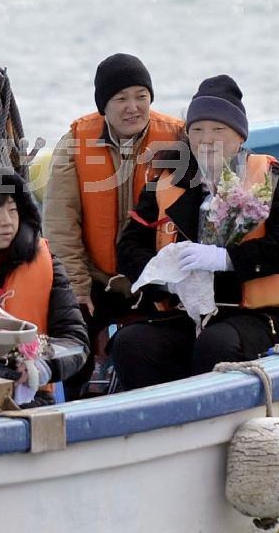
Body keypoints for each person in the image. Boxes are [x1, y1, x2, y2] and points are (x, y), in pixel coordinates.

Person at [113, 75, 279, 390]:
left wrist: (225, 259)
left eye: (219, 130)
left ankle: (211, 421)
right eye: (197, 130)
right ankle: (157, 423)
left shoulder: (269, 178)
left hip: (260, 316)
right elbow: (129, 246)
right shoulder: (167, 179)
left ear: (239, 137)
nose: (207, 139)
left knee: (216, 345)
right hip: (188, 316)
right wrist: (166, 279)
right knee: (131, 343)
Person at [43, 53, 184, 397]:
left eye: (141, 96)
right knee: (71, 325)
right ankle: (74, 406)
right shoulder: (75, 143)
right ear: (103, 106)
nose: (132, 107)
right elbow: (61, 225)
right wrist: (76, 288)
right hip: (96, 278)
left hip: (153, 276)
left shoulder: (177, 140)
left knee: (158, 342)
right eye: (120, 98)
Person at [0, 165, 89, 404]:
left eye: (13, 210)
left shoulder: (47, 264)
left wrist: (41, 366)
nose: (7, 222)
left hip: (30, 397)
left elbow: (76, 342)